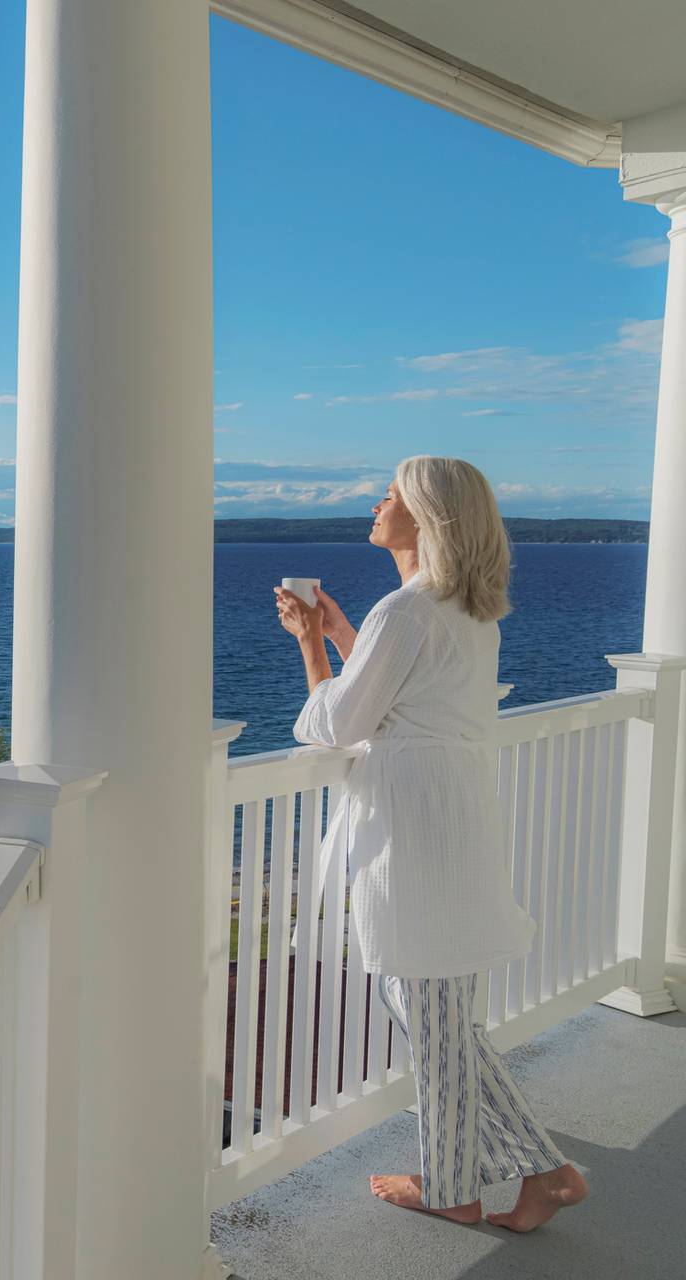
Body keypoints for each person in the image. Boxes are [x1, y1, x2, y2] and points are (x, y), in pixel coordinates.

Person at [274, 456, 588, 1233]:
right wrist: (348, 632)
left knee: (429, 1016)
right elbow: (403, 695)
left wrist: (312, 647)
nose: (377, 503)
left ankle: (490, 1183)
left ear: (425, 514)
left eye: (392, 494)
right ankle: (511, 1176)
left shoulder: (408, 612)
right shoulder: (462, 611)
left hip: (411, 835)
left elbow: (342, 722)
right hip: (451, 822)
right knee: (435, 1016)